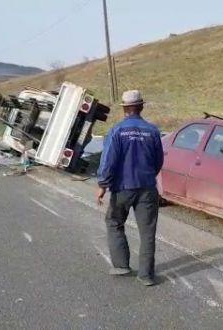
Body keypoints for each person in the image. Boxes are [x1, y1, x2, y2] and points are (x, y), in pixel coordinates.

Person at [96, 90, 164, 287]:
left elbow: (108, 161)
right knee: (148, 232)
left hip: (122, 188)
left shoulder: (117, 131)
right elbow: (158, 161)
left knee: (114, 222)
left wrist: (103, 185)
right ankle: (146, 276)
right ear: (141, 107)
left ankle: (121, 265)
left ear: (125, 108)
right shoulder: (152, 131)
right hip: (147, 188)